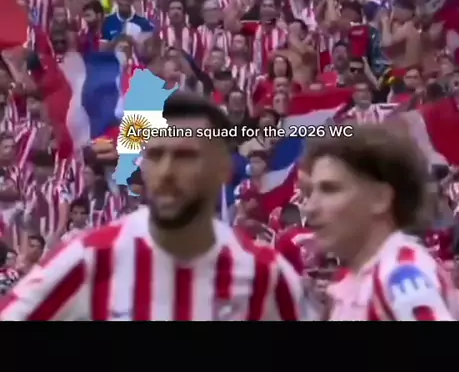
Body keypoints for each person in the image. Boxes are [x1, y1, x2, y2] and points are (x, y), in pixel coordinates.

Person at [0, 92, 313, 321]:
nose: (165, 171)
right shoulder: (91, 259)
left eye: (185, 156)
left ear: (223, 169)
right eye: (155, 155)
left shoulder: (265, 276)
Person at [302, 124, 459, 321]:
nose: (310, 208)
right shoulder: (352, 279)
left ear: (380, 198)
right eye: (310, 192)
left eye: (330, 190)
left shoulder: (400, 275)